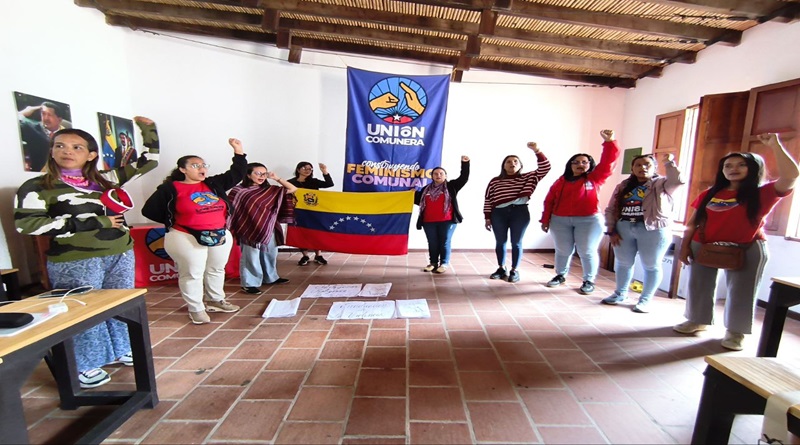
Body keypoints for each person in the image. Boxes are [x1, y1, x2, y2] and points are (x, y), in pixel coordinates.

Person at [14, 117, 159, 389]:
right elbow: (27, 225)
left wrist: (148, 130)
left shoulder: (106, 179)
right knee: (81, 310)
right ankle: (85, 362)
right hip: (75, 258)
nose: (67, 151)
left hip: (119, 252)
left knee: (120, 305)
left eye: (76, 147)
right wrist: (94, 222)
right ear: (52, 151)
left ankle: (120, 348)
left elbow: (149, 162)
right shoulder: (38, 187)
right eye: (60, 146)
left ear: (91, 154)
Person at [673, 133, 798, 351]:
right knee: (698, 285)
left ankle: (736, 332)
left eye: (741, 165)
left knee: (741, 291)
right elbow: (692, 224)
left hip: (747, 248)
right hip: (704, 245)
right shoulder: (709, 194)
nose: (733, 169)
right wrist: (684, 248)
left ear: (753, 168)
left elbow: (791, 175)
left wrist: (775, 145)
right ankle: (697, 320)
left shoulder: (763, 193)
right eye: (728, 165)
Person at [142, 138, 247, 325]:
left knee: (216, 269)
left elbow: (237, 173)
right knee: (192, 273)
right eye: (195, 165)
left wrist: (238, 151)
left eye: (203, 165)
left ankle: (215, 300)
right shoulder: (170, 188)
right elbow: (149, 210)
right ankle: (196, 308)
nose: (202, 168)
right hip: (186, 236)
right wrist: (175, 222)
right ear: (182, 169)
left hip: (219, 234)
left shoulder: (213, 183)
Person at [601, 153, 685, 313]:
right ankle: (620, 294)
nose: (642, 168)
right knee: (623, 263)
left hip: (653, 229)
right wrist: (611, 230)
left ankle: (645, 300)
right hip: (624, 227)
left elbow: (678, 181)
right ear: (632, 168)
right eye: (638, 165)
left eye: (647, 164)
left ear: (654, 167)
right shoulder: (623, 185)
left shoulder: (662, 184)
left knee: (651, 265)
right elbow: (611, 208)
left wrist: (669, 163)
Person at [541, 129, 621, 294]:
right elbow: (549, 201)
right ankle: (560, 275)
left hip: (589, 221)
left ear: (589, 165)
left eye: (584, 162)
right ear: (570, 165)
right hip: (560, 221)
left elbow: (608, 162)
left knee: (587, 251)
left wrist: (609, 142)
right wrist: (545, 220)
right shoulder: (560, 181)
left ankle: (588, 280)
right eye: (576, 162)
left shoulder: (595, 178)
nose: (580, 164)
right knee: (563, 250)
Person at [484, 142, 551, 283]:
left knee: (516, 243)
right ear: (503, 166)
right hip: (498, 213)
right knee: (500, 242)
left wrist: (537, 150)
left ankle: (514, 270)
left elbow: (545, 168)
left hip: (519, 213)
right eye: (508, 162)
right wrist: (487, 217)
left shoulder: (529, 177)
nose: (512, 164)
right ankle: (501, 268)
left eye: (515, 161)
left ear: (520, 165)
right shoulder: (495, 181)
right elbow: (488, 199)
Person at [229, 163, 298, 294]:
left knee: (270, 253)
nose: (262, 176)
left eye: (264, 173)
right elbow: (232, 210)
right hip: (249, 228)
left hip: (268, 227)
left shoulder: (270, 190)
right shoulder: (238, 191)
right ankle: (249, 283)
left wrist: (277, 178)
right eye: (258, 173)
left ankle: (270, 277)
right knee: (251, 257)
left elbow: (293, 189)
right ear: (248, 175)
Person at [414, 156, 470, 274]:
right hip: (428, 221)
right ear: (432, 176)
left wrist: (465, 163)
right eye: (435, 174)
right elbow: (418, 201)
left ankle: (444, 263)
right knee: (432, 243)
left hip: (447, 221)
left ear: (445, 176)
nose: (438, 175)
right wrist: (411, 194)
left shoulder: (451, 186)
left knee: (444, 242)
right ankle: (433, 263)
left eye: (441, 173)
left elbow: (464, 177)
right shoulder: (425, 189)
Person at [288, 161, 334, 265]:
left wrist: (324, 171)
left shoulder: (314, 182)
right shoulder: (291, 182)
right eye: (304, 168)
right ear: (298, 169)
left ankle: (318, 255)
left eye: (310, 169)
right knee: (301, 233)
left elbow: (329, 184)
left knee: (316, 233)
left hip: (314, 212)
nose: (307, 170)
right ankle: (305, 256)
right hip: (299, 212)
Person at [18, 102, 69, 172]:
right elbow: (11, 120)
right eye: (43, 114)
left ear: (59, 120)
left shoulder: (68, 134)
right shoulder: (31, 128)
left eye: (49, 115)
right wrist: (23, 113)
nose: (45, 118)